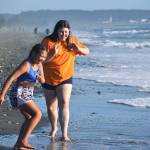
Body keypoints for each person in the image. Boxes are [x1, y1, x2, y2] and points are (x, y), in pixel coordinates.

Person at [41, 20, 90, 142]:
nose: (64, 34)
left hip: (65, 77)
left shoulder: (72, 41)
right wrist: (52, 53)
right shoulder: (48, 41)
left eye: (66, 32)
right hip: (49, 78)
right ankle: (53, 128)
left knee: (64, 103)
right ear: (56, 31)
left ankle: (64, 134)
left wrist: (78, 48)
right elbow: (41, 60)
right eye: (61, 32)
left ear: (69, 32)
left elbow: (87, 51)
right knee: (51, 107)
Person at [0, 44, 47, 150]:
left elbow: (43, 81)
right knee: (37, 114)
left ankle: (18, 144)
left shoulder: (39, 64)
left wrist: (40, 79)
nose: (42, 59)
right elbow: (11, 78)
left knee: (30, 118)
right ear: (34, 53)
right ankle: (24, 141)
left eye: (44, 57)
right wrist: (2, 95)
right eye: (41, 56)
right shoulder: (26, 64)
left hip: (28, 94)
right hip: (18, 93)